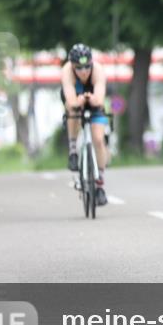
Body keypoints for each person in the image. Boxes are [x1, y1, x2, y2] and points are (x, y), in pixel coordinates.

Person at [60, 43, 110, 206]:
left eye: (87, 66)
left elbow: (100, 99)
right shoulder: (67, 71)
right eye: (79, 68)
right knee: (72, 111)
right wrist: (78, 101)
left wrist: (91, 99)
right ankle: (73, 149)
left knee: (98, 139)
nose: (83, 71)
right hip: (74, 97)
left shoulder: (98, 71)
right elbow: (70, 99)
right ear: (73, 66)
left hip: (94, 99)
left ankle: (99, 183)